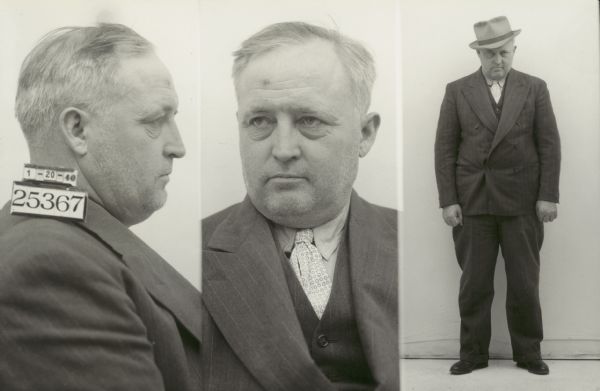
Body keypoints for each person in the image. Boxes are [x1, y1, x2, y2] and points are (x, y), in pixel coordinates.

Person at [0, 24, 201, 390]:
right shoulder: (48, 265)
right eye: (156, 120)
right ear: (77, 130)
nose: (178, 145)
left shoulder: (66, 234)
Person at [202, 22, 398, 391]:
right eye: (260, 121)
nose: (283, 149)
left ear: (365, 133)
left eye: (309, 120)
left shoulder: (412, 245)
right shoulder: (184, 258)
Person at [434, 16, 561, 376]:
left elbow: (549, 146)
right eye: (489, 54)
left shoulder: (535, 88)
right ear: (478, 55)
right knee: (474, 283)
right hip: (473, 202)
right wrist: (449, 200)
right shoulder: (457, 90)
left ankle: (528, 352)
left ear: (513, 50)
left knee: (524, 282)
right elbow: (444, 150)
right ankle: (473, 354)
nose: (497, 61)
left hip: (523, 202)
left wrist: (547, 195)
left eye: (503, 52)